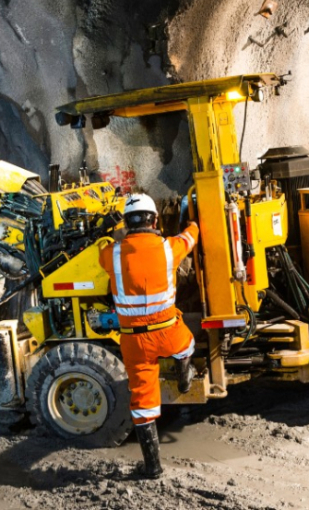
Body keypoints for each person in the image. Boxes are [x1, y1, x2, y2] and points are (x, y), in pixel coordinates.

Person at [99, 193, 199, 478]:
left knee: (143, 403)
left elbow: (101, 248)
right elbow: (190, 238)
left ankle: (153, 468)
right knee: (187, 344)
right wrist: (193, 223)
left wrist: (107, 232)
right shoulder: (169, 248)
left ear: (126, 223)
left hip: (133, 341)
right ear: (154, 221)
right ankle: (184, 379)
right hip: (167, 331)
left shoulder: (112, 254)